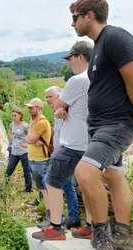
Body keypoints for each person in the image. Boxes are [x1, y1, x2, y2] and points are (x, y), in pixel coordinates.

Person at [69, 1, 133, 249]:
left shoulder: (116, 38)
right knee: (112, 175)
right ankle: (124, 235)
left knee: (85, 173)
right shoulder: (99, 45)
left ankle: (102, 235)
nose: (72, 23)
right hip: (101, 125)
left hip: (116, 123)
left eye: (75, 18)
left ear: (89, 15)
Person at [32, 41, 93, 241]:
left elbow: (59, 104)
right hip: (92, 142)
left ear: (81, 57)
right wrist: (64, 108)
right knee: (88, 185)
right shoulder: (99, 77)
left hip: (73, 143)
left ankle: (56, 227)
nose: (69, 64)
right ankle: (92, 226)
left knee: (51, 180)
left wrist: (62, 107)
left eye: (71, 59)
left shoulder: (77, 80)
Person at [44, 86, 82, 230]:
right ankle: (73, 219)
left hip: (67, 154)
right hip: (60, 154)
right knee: (68, 186)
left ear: (60, 96)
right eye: (46, 97)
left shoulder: (65, 109)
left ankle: (57, 222)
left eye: (50, 97)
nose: (48, 100)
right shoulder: (56, 112)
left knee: (48, 181)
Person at [25, 98, 52, 224]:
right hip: (33, 159)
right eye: (29, 108)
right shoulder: (34, 121)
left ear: (39, 108)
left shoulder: (41, 122)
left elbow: (29, 139)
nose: (29, 110)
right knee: (41, 187)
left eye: (32, 108)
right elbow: (29, 138)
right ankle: (48, 213)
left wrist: (30, 135)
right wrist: (31, 137)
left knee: (45, 189)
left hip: (41, 160)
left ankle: (50, 216)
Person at [4, 107, 32, 194]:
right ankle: (3, 189)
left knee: (26, 171)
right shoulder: (12, 125)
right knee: (8, 170)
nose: (13, 117)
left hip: (24, 152)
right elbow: (11, 134)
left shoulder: (25, 126)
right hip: (14, 152)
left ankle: (28, 189)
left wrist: (27, 144)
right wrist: (12, 143)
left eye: (15, 115)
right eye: (12, 116)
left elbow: (32, 137)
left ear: (20, 115)